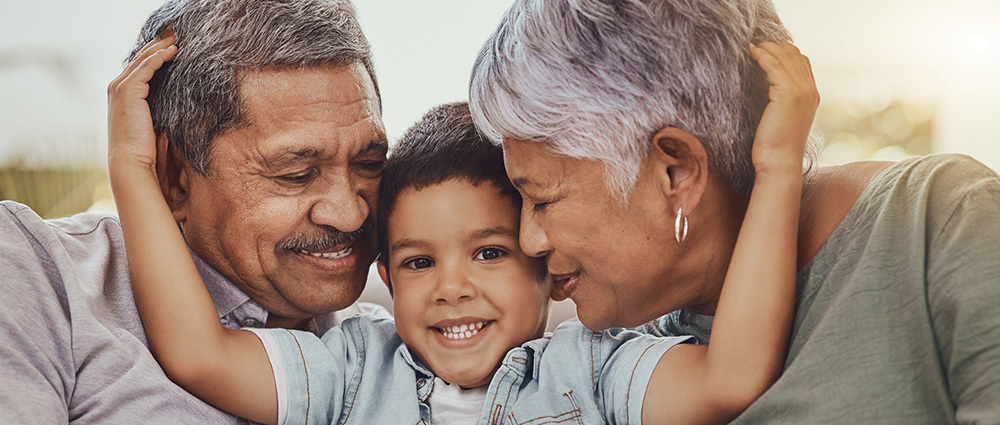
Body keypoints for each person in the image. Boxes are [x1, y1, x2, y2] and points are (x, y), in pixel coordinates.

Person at [110, 25, 819, 422]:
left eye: (488, 252)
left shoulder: (597, 367)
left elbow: (730, 378)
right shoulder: (354, 370)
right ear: (384, 274)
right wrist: (136, 172)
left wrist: (778, 171)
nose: (450, 287)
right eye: (418, 262)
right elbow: (197, 353)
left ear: (548, 266)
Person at [468, 0, 1000, 423]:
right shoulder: (626, 358)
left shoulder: (938, 219)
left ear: (676, 173)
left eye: (541, 199)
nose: (530, 241)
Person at [0, 0, 387, 422]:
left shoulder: (396, 352)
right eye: (295, 174)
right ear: (174, 179)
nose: (350, 214)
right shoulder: (36, 272)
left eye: (369, 164)